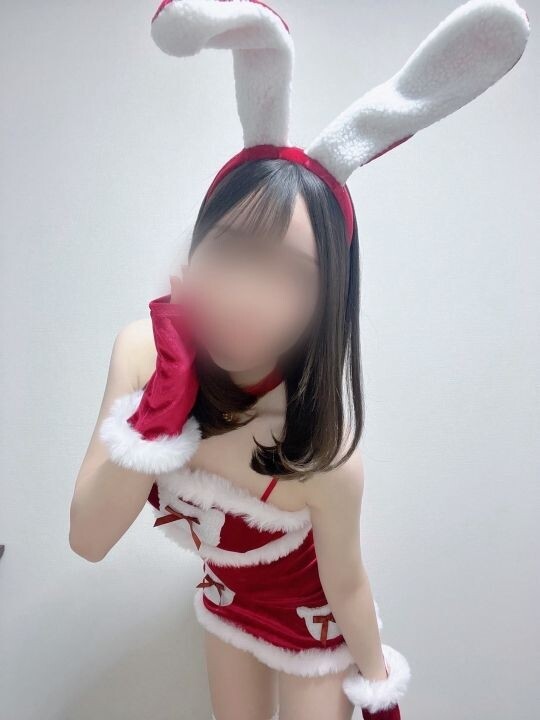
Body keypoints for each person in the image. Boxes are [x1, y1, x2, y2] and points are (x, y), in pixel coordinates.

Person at [69, 1, 530, 718]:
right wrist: (162, 403)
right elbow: (89, 540)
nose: (248, 298)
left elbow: (347, 581)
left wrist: (378, 688)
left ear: (326, 301)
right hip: (225, 601)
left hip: (313, 630)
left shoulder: (326, 453)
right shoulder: (140, 351)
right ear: (197, 246)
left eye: (290, 275)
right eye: (231, 251)